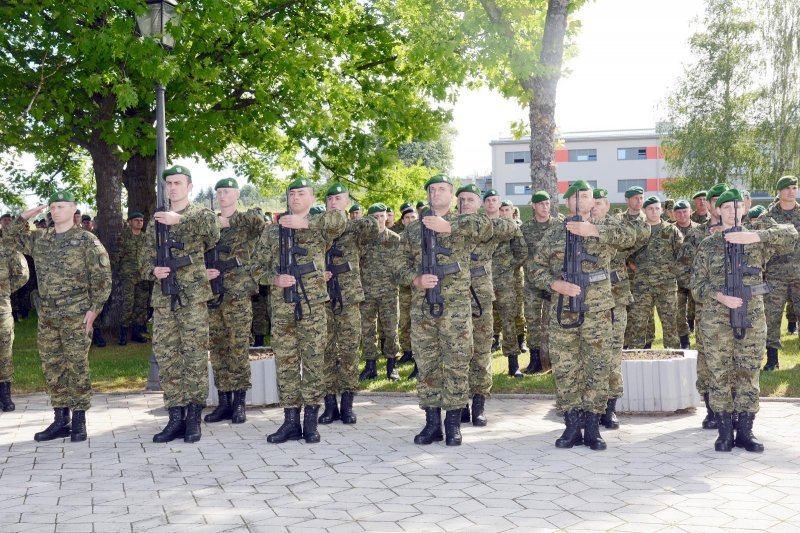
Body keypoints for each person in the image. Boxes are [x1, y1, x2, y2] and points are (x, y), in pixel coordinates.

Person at [530, 181, 636, 450]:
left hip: (597, 312)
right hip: (563, 311)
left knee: (597, 367)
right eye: (575, 197)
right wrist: (554, 284)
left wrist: (595, 231)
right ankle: (571, 425)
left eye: (586, 196)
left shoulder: (608, 228)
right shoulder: (554, 234)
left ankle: (592, 426)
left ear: (593, 202)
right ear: (567, 204)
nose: (580, 201)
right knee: (566, 368)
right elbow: (535, 268)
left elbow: (632, 236)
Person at [691, 188, 797, 452]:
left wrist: (755, 235)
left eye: (737, 207)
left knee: (749, 371)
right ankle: (725, 431)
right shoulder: (709, 245)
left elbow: (791, 235)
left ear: (744, 210)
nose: (732, 212)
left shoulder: (756, 237)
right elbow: (696, 285)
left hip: (751, 315)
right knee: (720, 373)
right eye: (726, 207)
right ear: (718, 210)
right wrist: (720, 297)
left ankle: (746, 431)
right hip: (717, 319)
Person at [5, 190, 112, 442]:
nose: (55, 211)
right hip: (49, 314)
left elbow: (102, 277)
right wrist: (25, 216)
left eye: (61, 207)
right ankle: (60, 419)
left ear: (73, 210)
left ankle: (79, 420)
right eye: (52, 207)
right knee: (52, 365)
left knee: (77, 364)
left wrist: (94, 309)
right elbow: (8, 238)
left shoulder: (86, 240)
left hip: (76, 312)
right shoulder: (41, 239)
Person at [394, 174, 491, 446]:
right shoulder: (414, 230)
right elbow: (397, 265)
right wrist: (414, 279)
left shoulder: (465, 222)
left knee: (457, 363)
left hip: (456, 309)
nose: (435, 193)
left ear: (452, 195)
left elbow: (486, 229)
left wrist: (448, 228)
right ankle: (432, 423)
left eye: (441, 189)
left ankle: (453, 423)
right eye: (432, 189)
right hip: (423, 308)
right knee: (427, 365)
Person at [251, 176, 347, 444]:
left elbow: (340, 221)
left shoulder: (320, 226)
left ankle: (310, 421)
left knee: (314, 361)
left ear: (312, 198)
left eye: (301, 194)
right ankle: (290, 421)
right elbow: (256, 267)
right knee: (287, 364)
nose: (295, 198)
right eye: (291, 193)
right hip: (282, 307)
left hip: (313, 306)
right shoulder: (272, 231)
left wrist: (306, 222)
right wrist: (274, 278)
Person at [138, 165, 220, 444]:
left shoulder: (200, 215)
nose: (172, 187)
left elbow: (212, 233)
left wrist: (179, 221)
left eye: (177, 183)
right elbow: (142, 260)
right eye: (168, 183)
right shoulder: (156, 220)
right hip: (164, 299)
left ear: (189, 187)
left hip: (193, 296)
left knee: (194, 356)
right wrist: (152, 271)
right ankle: (175, 416)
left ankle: (194, 417)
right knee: (168, 357)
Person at [203, 178, 265, 425]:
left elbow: (260, 221)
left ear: (237, 194)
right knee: (218, 349)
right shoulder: (209, 225)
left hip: (237, 294)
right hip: (214, 293)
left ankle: (239, 403)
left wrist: (227, 221)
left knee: (238, 347)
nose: (222, 196)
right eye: (218, 192)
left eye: (226, 191)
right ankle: (224, 401)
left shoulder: (246, 221)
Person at [318, 182, 379, 425]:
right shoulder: (318, 230)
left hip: (349, 299)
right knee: (325, 351)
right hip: (323, 298)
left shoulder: (355, 229)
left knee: (349, 351)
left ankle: (347, 404)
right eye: (330, 199)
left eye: (338, 198)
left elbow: (372, 227)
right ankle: (330, 404)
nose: (333, 201)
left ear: (346, 202)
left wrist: (347, 220)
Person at [457, 184, 516, 426]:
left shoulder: (488, 224)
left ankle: (479, 403)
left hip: (480, 294)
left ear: (480, 203)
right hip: (453, 296)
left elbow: (510, 227)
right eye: (462, 199)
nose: (466, 203)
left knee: (481, 350)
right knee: (457, 352)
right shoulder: (446, 225)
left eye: (471, 199)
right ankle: (458, 403)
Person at [594, 188, 648, 429]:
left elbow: (639, 234)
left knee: (613, 351)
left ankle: (609, 407)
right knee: (590, 353)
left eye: (600, 203)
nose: (595, 207)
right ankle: (588, 406)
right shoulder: (574, 228)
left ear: (607, 205)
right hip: (587, 301)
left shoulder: (618, 227)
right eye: (590, 202)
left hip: (615, 296)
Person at [677, 183, 727, 429]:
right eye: (714, 200)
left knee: (736, 359)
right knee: (708, 359)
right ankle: (712, 410)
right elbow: (682, 267)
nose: (719, 205)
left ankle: (734, 410)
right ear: (707, 205)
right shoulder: (697, 235)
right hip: (707, 310)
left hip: (737, 310)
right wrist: (700, 287)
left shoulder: (742, 232)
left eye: (724, 200)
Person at [626, 196, 683, 349]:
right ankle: (636, 363)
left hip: (667, 286)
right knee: (638, 324)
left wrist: (671, 271)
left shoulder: (671, 230)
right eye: (650, 208)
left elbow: (682, 254)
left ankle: (673, 362)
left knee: (670, 325)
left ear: (662, 210)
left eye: (657, 208)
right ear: (644, 210)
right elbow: (626, 252)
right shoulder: (638, 230)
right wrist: (633, 266)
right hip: (642, 287)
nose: (654, 211)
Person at [484, 190, 527, 378]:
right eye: (488, 200)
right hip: (481, 282)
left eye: (495, 200)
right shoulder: (478, 225)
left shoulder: (509, 226)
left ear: (499, 203)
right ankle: (481, 368)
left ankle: (513, 364)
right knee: (482, 325)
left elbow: (522, 251)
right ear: (484, 204)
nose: (492, 203)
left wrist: (509, 266)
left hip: (504, 282)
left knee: (508, 322)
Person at [520, 191, 562, 373]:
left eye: (547, 204)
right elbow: (519, 252)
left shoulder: (559, 225)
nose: (545, 207)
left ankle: (555, 361)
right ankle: (535, 359)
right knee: (533, 320)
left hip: (555, 282)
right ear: (533, 206)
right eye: (541, 204)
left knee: (556, 320)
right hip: (532, 283)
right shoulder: (526, 228)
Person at [761, 175, 800, 371]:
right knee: (772, 317)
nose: (791, 191)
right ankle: (772, 359)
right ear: (779, 191)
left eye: (794, 187)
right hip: (775, 276)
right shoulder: (767, 217)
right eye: (787, 188)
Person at [359, 203, 401, 381]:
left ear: (387, 217)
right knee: (367, 331)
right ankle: (370, 366)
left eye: (381, 216)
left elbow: (401, 265)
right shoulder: (362, 240)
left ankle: (392, 366)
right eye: (375, 217)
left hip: (389, 293)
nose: (379, 220)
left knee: (391, 330)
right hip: (367, 293)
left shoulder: (395, 239)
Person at [0, 243, 30, 411]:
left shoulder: (7, 250)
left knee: (4, 352)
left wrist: (5, 289)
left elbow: (23, 273)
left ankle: (4, 394)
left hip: (1, 310)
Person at [115, 212, 151, 345]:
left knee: (141, 305)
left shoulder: (145, 238)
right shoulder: (123, 237)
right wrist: (117, 271)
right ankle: (123, 334)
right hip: (128, 275)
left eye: (141, 220)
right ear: (130, 222)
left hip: (142, 275)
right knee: (128, 304)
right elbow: (117, 256)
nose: (140, 223)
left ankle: (136, 332)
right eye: (136, 220)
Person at [672, 200, 699, 349]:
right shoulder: (669, 230)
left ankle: (702, 341)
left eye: (685, 211)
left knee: (699, 311)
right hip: (677, 280)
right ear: (674, 214)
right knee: (678, 311)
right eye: (678, 212)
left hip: (697, 278)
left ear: (690, 212)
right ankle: (685, 342)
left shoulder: (699, 230)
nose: (682, 215)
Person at [395, 202, 417, 374]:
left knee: (419, 323)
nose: (410, 220)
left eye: (412, 217)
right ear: (402, 221)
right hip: (404, 288)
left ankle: (418, 356)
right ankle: (407, 351)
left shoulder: (423, 235)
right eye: (407, 218)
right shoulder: (400, 238)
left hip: (422, 288)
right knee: (404, 321)